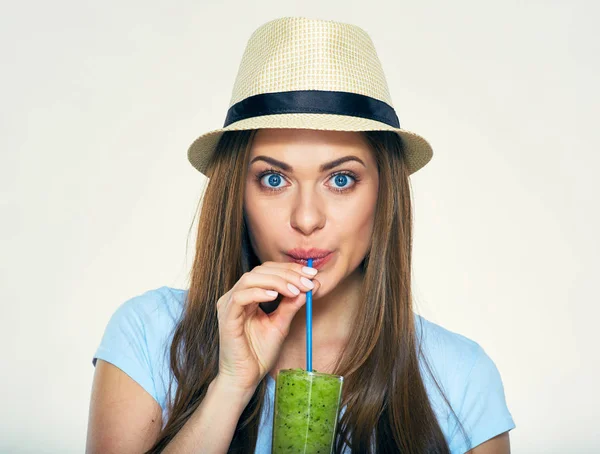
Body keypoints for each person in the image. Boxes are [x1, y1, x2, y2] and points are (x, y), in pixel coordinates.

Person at [86, 16, 516, 454]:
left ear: (384, 194)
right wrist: (231, 387)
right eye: (274, 179)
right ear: (237, 193)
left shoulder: (459, 378)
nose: (307, 219)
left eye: (342, 179)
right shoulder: (148, 334)